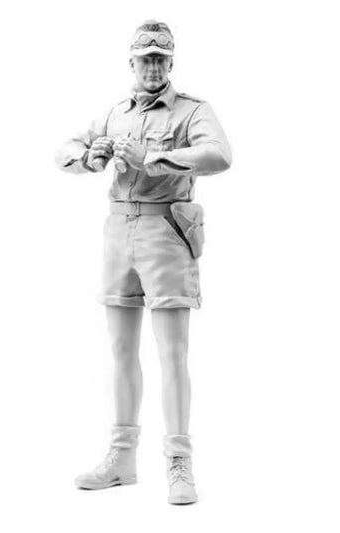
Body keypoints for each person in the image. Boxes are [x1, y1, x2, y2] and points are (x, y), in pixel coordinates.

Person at [56, 20, 231, 505]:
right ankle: (121, 457)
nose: (152, 67)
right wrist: (90, 157)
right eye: (145, 58)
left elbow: (219, 155)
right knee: (119, 349)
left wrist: (152, 158)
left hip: (165, 230)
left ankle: (179, 461)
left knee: (172, 352)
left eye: (160, 58)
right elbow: (65, 150)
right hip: (118, 230)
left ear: (171, 62)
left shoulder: (192, 110)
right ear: (131, 62)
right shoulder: (116, 112)